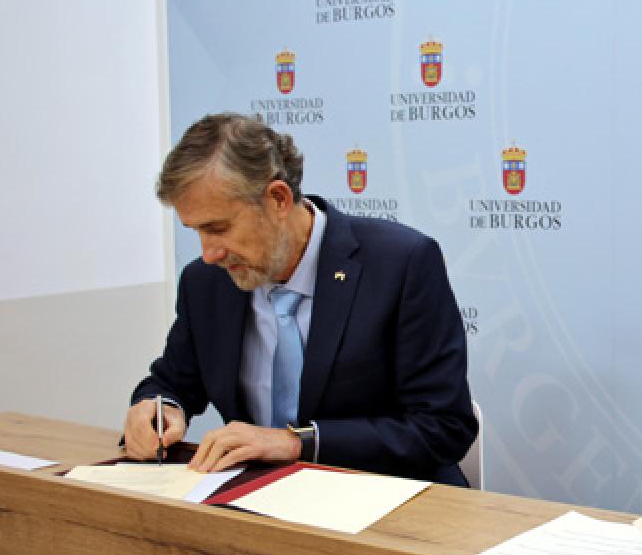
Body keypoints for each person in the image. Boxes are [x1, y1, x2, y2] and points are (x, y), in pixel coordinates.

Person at [122, 113, 477, 484]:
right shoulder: (205, 282)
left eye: (218, 229)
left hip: (386, 500)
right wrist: (159, 409)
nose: (208, 252)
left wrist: (297, 444)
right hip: (258, 503)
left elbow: (442, 426)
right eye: (196, 231)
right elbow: (173, 381)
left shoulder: (401, 264)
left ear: (277, 198)